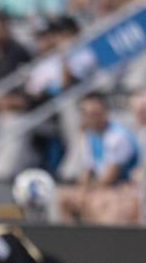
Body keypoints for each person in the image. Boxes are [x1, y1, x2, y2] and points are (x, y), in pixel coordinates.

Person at [59, 92, 140, 224]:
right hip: (101, 186)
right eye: (87, 114)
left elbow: (108, 178)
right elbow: (88, 169)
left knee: (96, 203)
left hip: (122, 187)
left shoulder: (118, 137)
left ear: (105, 112)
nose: (91, 118)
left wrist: (86, 194)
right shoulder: (88, 134)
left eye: (96, 114)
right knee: (63, 198)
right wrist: (81, 190)